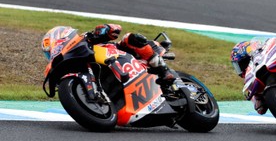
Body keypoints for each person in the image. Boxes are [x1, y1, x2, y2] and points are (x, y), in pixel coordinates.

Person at [41, 24, 176, 87]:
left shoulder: (86, 40)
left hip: (125, 56)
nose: (52, 54)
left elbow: (115, 28)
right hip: (113, 77)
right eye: (49, 54)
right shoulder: (59, 66)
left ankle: (164, 71)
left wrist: (106, 29)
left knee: (130, 38)